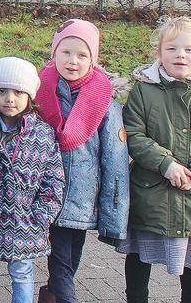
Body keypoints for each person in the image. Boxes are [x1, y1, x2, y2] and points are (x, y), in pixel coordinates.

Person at [118, 17, 191, 303]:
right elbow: (133, 135)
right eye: (171, 49)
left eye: (188, 50)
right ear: (159, 52)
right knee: (139, 262)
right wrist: (167, 165)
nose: (180, 55)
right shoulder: (143, 91)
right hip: (151, 194)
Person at [32, 19, 129, 303]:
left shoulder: (105, 102)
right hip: (49, 195)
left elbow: (115, 160)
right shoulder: (38, 92)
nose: (73, 61)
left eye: (82, 55)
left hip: (84, 198)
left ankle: (50, 296)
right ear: (54, 53)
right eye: (66, 52)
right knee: (61, 264)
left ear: (93, 60)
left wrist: (113, 213)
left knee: (70, 261)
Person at [0, 57, 65, 303]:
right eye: (2, 91)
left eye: (18, 92)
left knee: (23, 273)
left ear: (29, 95)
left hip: (25, 219)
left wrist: (43, 214)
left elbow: (53, 178)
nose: (10, 98)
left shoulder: (42, 134)